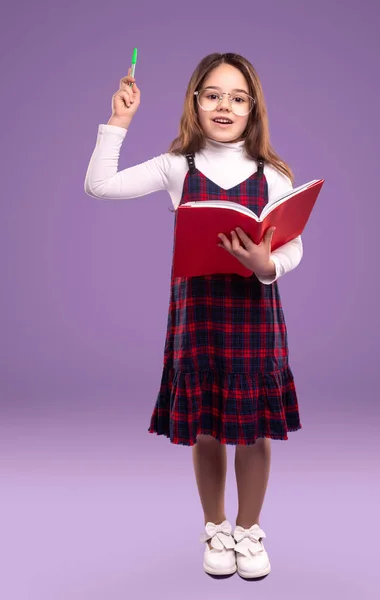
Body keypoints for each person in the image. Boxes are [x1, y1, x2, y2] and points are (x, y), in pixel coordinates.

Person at [84, 52, 304, 580]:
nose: (224, 106)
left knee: (253, 433)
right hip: (198, 319)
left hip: (253, 315)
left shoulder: (270, 174)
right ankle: (216, 528)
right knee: (207, 430)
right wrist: (119, 122)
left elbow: (295, 248)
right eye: (213, 95)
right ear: (195, 102)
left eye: (237, 97)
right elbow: (99, 186)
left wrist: (267, 263)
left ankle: (249, 533)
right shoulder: (174, 166)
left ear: (253, 109)